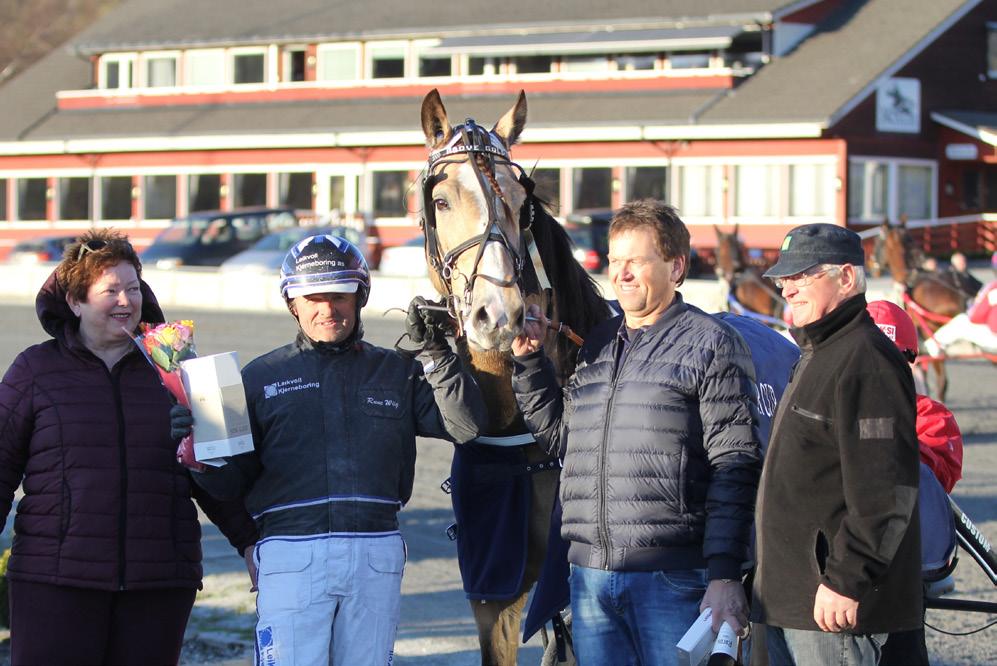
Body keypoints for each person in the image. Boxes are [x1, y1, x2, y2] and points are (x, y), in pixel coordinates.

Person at [175, 234, 486, 666]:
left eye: (340, 295)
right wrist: (196, 446)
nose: (327, 309)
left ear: (360, 296)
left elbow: (465, 425)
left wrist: (437, 352)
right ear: (292, 303)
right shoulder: (258, 377)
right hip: (290, 551)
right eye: (313, 298)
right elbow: (229, 485)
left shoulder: (397, 369)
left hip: (376, 549)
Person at [510, 199, 762, 665]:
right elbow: (565, 440)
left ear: (677, 266)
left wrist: (726, 574)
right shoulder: (599, 344)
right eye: (615, 261)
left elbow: (735, 464)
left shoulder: (711, 344)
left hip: (673, 577)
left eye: (637, 261)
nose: (622, 274)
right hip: (589, 577)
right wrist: (529, 364)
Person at [0, 229, 258, 665]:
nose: (126, 301)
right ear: (76, 302)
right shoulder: (35, 369)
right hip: (55, 582)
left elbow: (226, 473)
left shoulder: (185, 368)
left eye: (133, 288)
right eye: (111, 291)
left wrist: (252, 543)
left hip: (157, 583)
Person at [753, 223, 921, 666]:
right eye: (783, 279)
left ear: (846, 278)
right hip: (790, 599)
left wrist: (848, 579)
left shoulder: (866, 359)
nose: (787, 289)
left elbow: (887, 489)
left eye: (802, 275)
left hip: (832, 609)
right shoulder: (818, 352)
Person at [865, 299, 964, 666]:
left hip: (901, 570)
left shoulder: (930, 415)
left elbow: (934, 474)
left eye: (893, 358)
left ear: (910, 360)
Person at [924, 252, 997, 358]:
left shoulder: (993, 289)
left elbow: (975, 317)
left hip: (993, 337)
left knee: (962, 321)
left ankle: (934, 345)